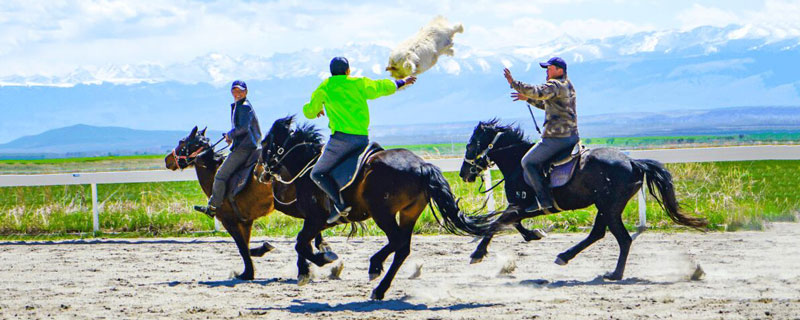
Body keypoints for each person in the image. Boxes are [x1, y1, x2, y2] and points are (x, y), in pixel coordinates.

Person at [304, 56, 417, 224]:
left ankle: (339, 204)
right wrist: (401, 82)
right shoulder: (358, 82)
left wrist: (318, 108)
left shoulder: (325, 88)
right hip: (363, 140)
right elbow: (380, 87)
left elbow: (309, 112)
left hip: (340, 142)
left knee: (317, 173)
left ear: (331, 72)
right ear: (348, 71)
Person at [503, 57, 579, 212]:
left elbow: (538, 92)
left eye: (549, 68)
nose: (547, 71)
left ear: (560, 70)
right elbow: (548, 104)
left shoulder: (555, 84)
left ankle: (543, 200)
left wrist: (513, 83)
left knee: (528, 162)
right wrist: (528, 99)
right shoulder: (567, 85)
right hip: (572, 136)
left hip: (556, 139)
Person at [194, 80, 261, 217]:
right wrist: (231, 137)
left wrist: (230, 134)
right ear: (231, 92)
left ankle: (213, 207)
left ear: (246, 92)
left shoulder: (244, 107)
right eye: (234, 91)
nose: (237, 93)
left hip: (244, 148)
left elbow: (243, 128)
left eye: (240, 91)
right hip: (247, 144)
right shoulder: (241, 105)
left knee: (220, 176)